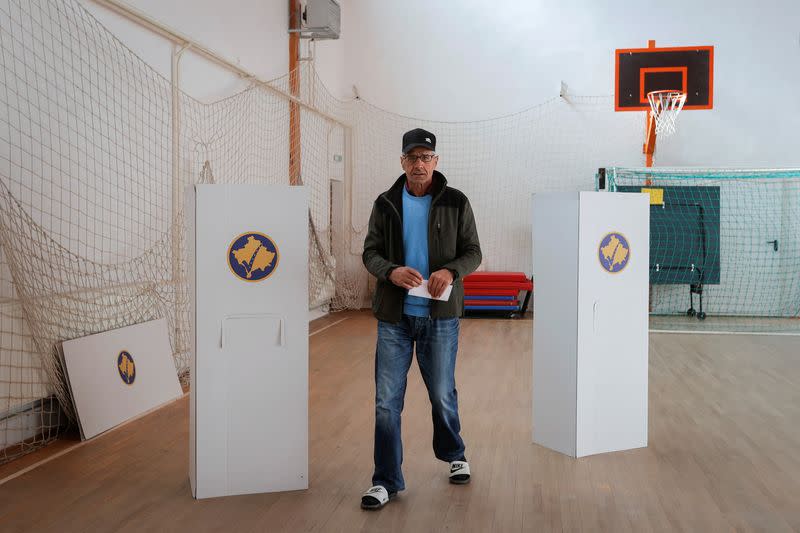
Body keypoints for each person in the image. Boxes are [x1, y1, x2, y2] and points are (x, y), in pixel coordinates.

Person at [360, 128, 482, 510]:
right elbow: (370, 253)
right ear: (402, 162)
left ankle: (454, 454)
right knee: (386, 402)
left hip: (440, 317)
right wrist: (391, 272)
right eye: (412, 157)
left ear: (436, 162)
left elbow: (473, 252)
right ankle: (385, 481)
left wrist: (451, 271)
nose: (419, 164)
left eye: (425, 157)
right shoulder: (385, 204)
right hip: (394, 319)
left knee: (442, 393)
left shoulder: (456, 202)